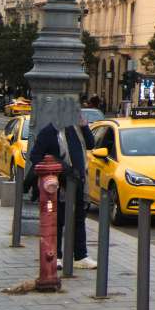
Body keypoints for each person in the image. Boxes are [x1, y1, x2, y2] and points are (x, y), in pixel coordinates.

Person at [27, 112, 95, 271]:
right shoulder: (49, 131)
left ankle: (80, 256)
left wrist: (84, 126)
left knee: (79, 219)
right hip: (58, 185)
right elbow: (35, 156)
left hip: (78, 182)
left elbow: (91, 144)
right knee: (57, 221)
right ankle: (56, 255)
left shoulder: (77, 129)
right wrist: (58, 168)